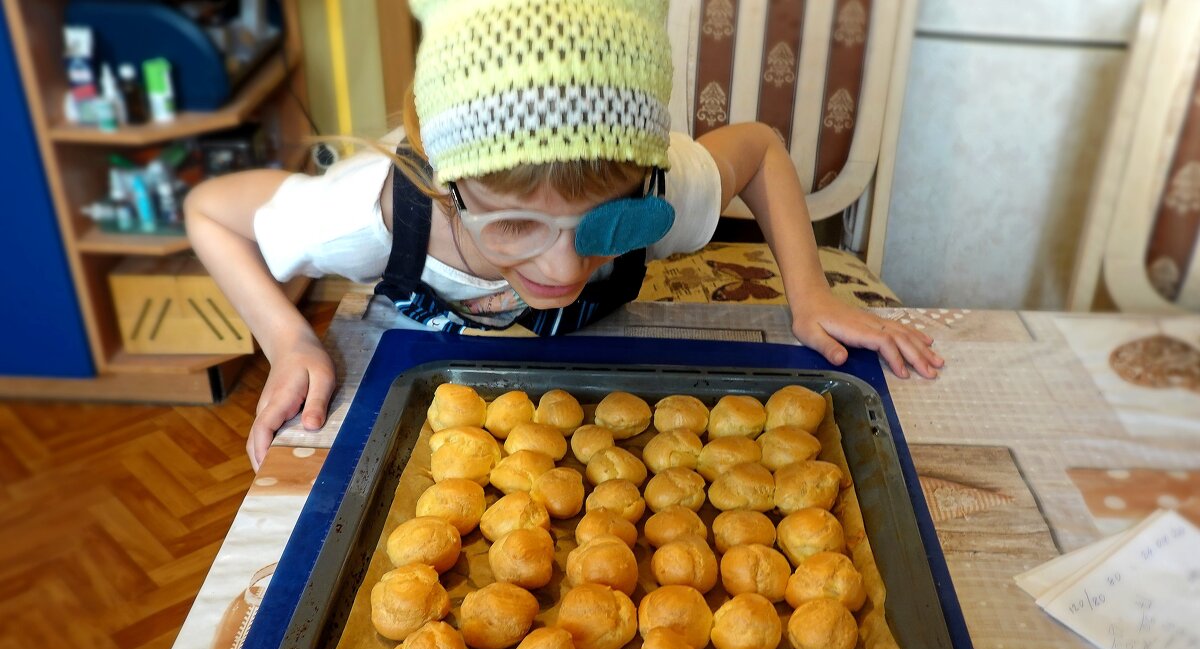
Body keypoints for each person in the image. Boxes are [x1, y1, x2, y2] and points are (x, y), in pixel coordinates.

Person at [185, 0, 943, 471]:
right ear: (448, 190)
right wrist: (289, 339)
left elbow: (763, 148)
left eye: (606, 225)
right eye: (515, 225)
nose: (565, 264)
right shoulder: (375, 212)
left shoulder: (656, 182)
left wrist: (809, 296)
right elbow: (211, 211)